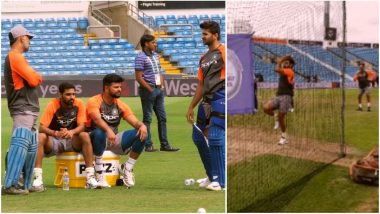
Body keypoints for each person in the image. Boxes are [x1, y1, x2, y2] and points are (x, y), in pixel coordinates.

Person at [30, 83, 99, 192]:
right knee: (40, 136)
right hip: (54, 141)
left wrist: (71, 132)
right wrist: (55, 133)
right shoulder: (52, 104)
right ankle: (38, 179)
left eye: (73, 94)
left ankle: (90, 177)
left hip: (72, 140)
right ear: (60, 95)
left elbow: (82, 126)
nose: (72, 97)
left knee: (85, 135)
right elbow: (42, 128)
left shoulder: (79, 103)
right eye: (68, 94)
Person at [87, 74, 148, 188]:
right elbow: (96, 119)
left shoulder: (120, 104)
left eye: (120, 87)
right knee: (100, 131)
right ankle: (99, 172)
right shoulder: (94, 101)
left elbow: (134, 122)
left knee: (142, 133)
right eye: (116, 87)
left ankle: (127, 168)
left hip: (113, 140)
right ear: (106, 88)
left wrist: (142, 126)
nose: (119, 89)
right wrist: (107, 130)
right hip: (95, 140)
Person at [186, 21, 226, 191]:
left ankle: (221, 181)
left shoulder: (224, 52)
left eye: (205, 34)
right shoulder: (203, 58)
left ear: (215, 35)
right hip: (207, 101)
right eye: (202, 34)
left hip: (222, 97)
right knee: (198, 137)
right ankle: (212, 176)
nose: (202, 37)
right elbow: (201, 85)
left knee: (216, 137)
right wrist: (191, 107)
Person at [2, 25, 42, 195]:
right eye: (28, 37)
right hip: (22, 107)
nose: (29, 41)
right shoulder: (15, 57)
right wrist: (37, 75)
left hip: (27, 108)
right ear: (21, 38)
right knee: (20, 145)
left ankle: (23, 184)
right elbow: (34, 79)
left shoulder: (16, 57)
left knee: (29, 145)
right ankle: (10, 184)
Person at [135, 34, 179, 152]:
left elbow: (159, 71)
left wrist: (162, 85)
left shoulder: (156, 56)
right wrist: (149, 89)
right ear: (146, 44)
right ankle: (148, 144)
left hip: (158, 90)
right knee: (148, 118)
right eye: (153, 42)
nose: (155, 44)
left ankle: (164, 144)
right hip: (147, 90)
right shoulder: (140, 57)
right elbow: (139, 77)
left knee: (162, 118)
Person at [263, 55, 295, 145]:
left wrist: (280, 61)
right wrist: (280, 61)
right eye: (285, 62)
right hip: (279, 96)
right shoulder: (284, 71)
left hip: (286, 97)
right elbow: (279, 70)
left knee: (282, 118)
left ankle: (284, 137)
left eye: (287, 62)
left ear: (291, 65)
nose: (285, 63)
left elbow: (277, 69)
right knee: (266, 108)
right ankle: (275, 116)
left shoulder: (289, 71)